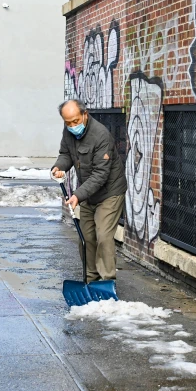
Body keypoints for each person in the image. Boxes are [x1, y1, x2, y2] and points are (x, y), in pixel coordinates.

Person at [52, 99, 127, 283]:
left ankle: (107, 281)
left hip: (109, 193)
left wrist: (78, 195)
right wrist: (59, 167)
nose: (72, 126)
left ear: (85, 114)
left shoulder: (101, 135)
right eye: (67, 123)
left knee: (103, 236)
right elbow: (66, 153)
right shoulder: (69, 130)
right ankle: (90, 279)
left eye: (75, 121)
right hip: (88, 192)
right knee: (86, 237)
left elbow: (101, 174)